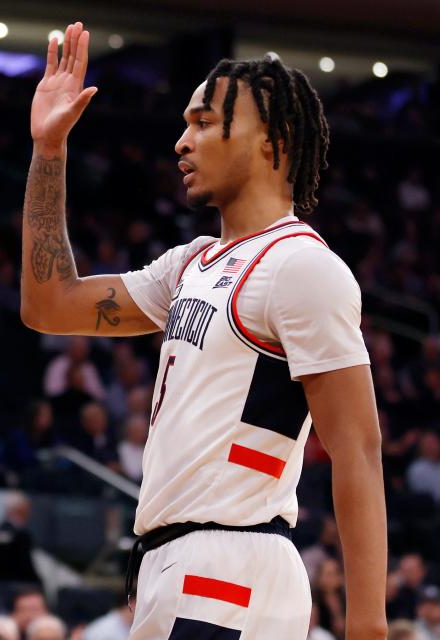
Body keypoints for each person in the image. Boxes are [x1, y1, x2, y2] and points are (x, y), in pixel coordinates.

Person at [20, 22, 386, 639]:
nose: (181, 142)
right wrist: (49, 152)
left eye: (205, 123)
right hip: (179, 564)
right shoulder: (191, 264)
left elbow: (358, 450)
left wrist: (368, 627)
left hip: (231, 564)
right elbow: (49, 305)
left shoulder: (301, 267)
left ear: (276, 139)